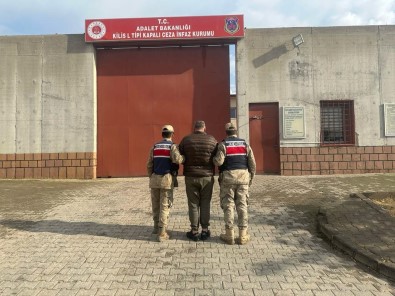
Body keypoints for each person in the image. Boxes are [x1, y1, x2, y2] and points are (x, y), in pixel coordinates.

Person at [213, 122, 256, 245]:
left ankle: (229, 234)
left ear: (226, 132)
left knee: (229, 205)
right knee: (242, 205)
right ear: (236, 131)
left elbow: (219, 162)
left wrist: (213, 159)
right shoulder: (245, 144)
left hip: (228, 179)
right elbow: (252, 163)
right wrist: (251, 178)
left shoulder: (223, 144)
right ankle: (243, 235)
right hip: (243, 178)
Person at [179, 120, 218, 241]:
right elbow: (217, 156)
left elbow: (180, 155)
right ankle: (205, 231)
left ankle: (194, 231)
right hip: (207, 177)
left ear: (194, 128)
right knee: (205, 203)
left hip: (191, 176)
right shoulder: (212, 140)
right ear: (204, 128)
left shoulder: (186, 140)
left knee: (193, 204)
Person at [147, 125, 184, 242]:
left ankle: (155, 228)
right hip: (166, 179)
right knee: (164, 205)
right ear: (172, 134)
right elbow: (178, 160)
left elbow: (149, 164)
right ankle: (162, 233)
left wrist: (151, 176)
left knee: (155, 204)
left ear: (162, 134)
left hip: (154, 179)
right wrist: (183, 157)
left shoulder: (154, 146)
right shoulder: (172, 147)